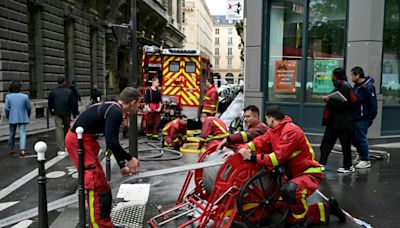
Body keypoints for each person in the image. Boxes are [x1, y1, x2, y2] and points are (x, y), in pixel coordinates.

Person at [237, 105, 346, 226]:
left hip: (308, 172)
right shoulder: (273, 131)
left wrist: (251, 157)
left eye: (267, 120)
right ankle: (327, 208)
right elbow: (260, 141)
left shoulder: (291, 131)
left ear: (271, 119)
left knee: (291, 191)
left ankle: (303, 222)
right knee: (284, 208)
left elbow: (277, 158)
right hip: (293, 175)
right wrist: (244, 148)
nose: (266, 122)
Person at [65, 87, 140, 228]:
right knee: (94, 182)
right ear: (133, 102)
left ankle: (105, 223)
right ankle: (99, 225)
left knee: (103, 186)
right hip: (78, 141)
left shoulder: (113, 108)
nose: (138, 108)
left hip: (84, 140)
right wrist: (130, 159)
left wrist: (122, 165)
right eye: (138, 105)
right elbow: (111, 142)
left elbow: (112, 141)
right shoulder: (116, 112)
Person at [319, 68, 354, 173]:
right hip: (335, 122)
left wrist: (328, 101)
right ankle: (322, 163)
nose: (331, 77)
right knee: (327, 143)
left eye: (333, 75)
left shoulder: (344, 87)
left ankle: (348, 166)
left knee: (343, 145)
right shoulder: (343, 86)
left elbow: (344, 105)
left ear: (337, 76)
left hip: (342, 122)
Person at [350, 66, 377, 169]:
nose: (351, 77)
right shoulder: (356, 86)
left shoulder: (368, 87)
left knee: (361, 138)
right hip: (355, 117)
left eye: (352, 75)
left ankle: (366, 160)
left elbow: (373, 104)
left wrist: (369, 118)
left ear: (357, 75)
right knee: (354, 138)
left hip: (363, 118)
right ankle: (361, 155)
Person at [4, 81, 31, 156]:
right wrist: (27, 115)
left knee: (11, 133)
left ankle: (11, 148)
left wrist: (8, 116)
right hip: (23, 117)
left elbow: (6, 108)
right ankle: (22, 150)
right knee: (22, 133)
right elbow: (28, 107)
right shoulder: (25, 96)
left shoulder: (8, 96)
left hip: (12, 117)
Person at [48, 77, 73, 154]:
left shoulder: (53, 92)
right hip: (67, 112)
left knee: (59, 129)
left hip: (57, 112)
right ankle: (67, 146)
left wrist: (52, 111)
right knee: (67, 128)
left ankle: (61, 149)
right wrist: (73, 112)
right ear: (64, 82)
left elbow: (50, 103)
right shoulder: (69, 91)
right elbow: (72, 103)